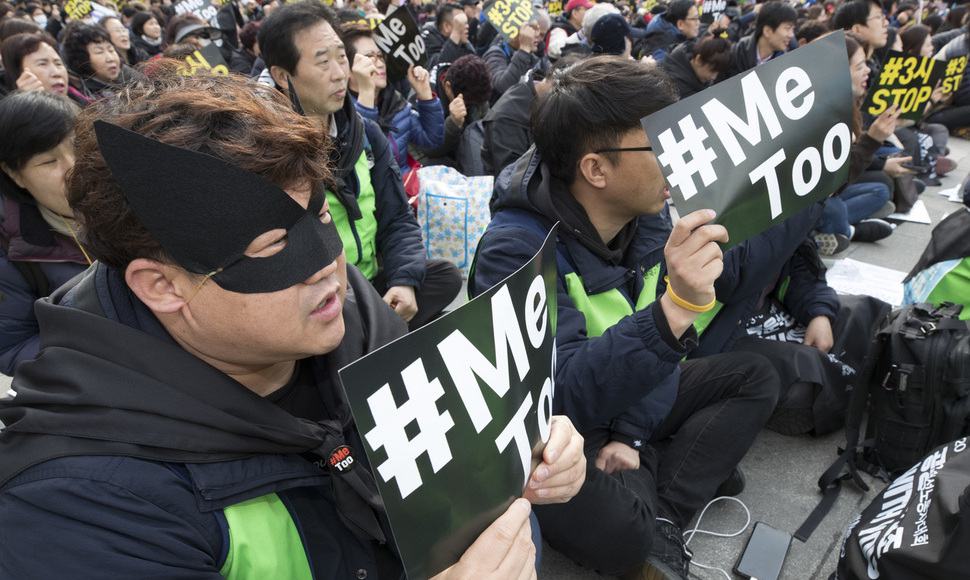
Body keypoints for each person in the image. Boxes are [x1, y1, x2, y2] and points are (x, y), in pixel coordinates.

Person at [0, 69, 587, 578]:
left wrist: (515, 453)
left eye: (318, 217)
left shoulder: (350, 311)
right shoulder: (82, 506)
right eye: (273, 244)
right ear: (162, 286)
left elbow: (443, 452)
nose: (330, 267)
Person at [471, 56, 779, 580]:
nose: (679, 160)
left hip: (632, 391)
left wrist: (634, 435)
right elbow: (558, 393)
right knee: (623, 536)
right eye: (660, 146)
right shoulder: (517, 249)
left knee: (756, 378)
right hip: (561, 431)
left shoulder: (651, 215)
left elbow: (664, 350)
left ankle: (661, 507)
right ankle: (657, 505)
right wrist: (674, 311)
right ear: (595, 169)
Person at [259, 1, 461, 329]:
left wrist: (403, 280)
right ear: (283, 76)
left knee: (444, 277)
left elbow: (397, 217)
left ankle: (378, 330)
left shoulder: (365, 133)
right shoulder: (268, 155)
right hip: (324, 300)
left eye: (342, 57)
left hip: (373, 283)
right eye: (323, 62)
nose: (340, 73)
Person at [0, 91, 89, 376]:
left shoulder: (132, 197)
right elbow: (12, 347)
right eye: (48, 162)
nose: (73, 167)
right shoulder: (11, 251)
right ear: (15, 174)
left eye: (78, 147)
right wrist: (96, 355)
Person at [814, 33, 898, 255]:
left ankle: (841, 232)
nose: (868, 71)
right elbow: (830, 186)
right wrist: (871, 141)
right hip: (814, 201)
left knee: (880, 190)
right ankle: (848, 231)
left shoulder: (847, 105)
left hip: (831, 197)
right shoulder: (817, 113)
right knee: (832, 207)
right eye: (860, 66)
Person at [343, 25, 445, 173]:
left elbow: (432, 140)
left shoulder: (395, 103)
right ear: (347, 70)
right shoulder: (339, 111)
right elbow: (364, 159)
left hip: (403, 188)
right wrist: (367, 96)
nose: (379, 63)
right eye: (369, 57)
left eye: (380, 56)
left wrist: (425, 96)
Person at [61, 23, 139, 103]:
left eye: (111, 50)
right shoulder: (85, 96)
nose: (111, 58)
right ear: (82, 59)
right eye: (99, 52)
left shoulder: (126, 73)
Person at [725, 1, 797, 78]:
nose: (791, 35)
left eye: (793, 29)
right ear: (767, 31)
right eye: (787, 28)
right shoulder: (735, 54)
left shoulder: (786, 64)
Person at [483, 20, 542, 102]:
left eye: (537, 32)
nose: (537, 37)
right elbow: (503, 87)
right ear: (515, 35)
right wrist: (524, 50)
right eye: (529, 32)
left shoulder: (531, 56)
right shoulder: (495, 53)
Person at [1, 32, 69, 98]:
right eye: (42, 64)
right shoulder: (7, 107)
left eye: (58, 64)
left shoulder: (76, 100)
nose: (56, 73)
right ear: (18, 73)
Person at [661, 35, 731, 98]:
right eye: (711, 71)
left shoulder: (698, 73)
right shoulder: (675, 86)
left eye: (717, 72)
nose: (714, 77)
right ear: (698, 60)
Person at [634, 0, 699, 63]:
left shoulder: (671, 27)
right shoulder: (660, 39)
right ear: (680, 24)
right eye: (694, 19)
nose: (698, 23)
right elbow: (661, 66)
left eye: (698, 18)